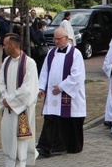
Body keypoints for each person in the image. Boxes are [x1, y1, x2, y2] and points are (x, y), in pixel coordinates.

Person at [37, 28, 87, 156]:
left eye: (58, 39)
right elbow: (44, 71)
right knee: (50, 120)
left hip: (68, 94)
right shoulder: (51, 53)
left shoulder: (76, 54)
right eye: (55, 39)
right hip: (52, 94)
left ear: (66, 38)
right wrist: (41, 88)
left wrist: (61, 87)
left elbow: (77, 76)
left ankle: (66, 146)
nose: (56, 41)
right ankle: (46, 147)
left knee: (67, 121)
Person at [0, 33, 39, 167]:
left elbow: (28, 88)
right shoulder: (6, 62)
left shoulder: (29, 63)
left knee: (21, 136)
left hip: (22, 108)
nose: (3, 47)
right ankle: (10, 163)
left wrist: (11, 101)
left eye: (4, 44)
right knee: (9, 134)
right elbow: (1, 82)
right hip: (8, 106)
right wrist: (4, 98)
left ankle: (20, 166)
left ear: (12, 46)